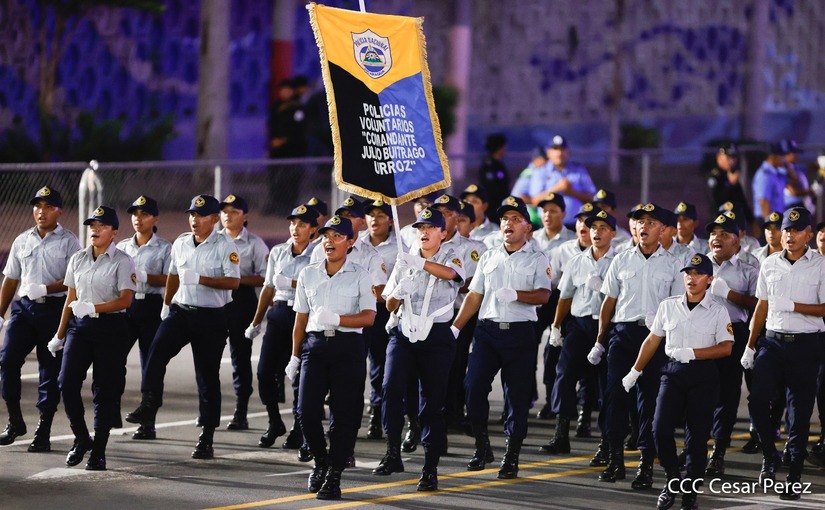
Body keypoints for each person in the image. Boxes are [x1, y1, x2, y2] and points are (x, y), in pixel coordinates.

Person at [125, 194, 240, 459]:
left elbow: (233, 282)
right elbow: (174, 276)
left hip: (211, 316)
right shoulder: (181, 242)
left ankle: (207, 436)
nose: (194, 220)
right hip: (182, 311)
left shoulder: (225, 245)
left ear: (214, 218)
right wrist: (167, 305)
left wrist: (201, 279)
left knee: (207, 376)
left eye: (200, 215)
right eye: (192, 215)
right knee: (156, 352)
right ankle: (149, 404)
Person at [622, 253, 734, 510]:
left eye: (698, 274)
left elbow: (726, 347)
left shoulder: (718, 311)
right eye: (688, 274)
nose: (691, 278)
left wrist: (694, 353)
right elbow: (652, 340)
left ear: (709, 280)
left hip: (703, 376)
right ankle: (673, 479)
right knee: (659, 429)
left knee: (696, 438)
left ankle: (690, 493)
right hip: (672, 374)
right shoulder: (668, 306)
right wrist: (635, 370)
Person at [453, 196, 552, 479]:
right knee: (473, 387)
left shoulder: (537, 258)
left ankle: (512, 455)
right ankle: (482, 445)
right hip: (487, 331)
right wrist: (456, 328)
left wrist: (517, 295)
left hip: (520, 333)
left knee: (516, 397)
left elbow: (544, 295)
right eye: (505, 219)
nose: (508, 223)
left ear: (527, 227)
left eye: (515, 219)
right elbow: (475, 296)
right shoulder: (489, 256)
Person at [589, 203, 682, 488]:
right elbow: (609, 302)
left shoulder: (673, 264)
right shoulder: (621, 259)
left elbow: (678, 307)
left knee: (650, 401)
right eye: (640, 222)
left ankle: (645, 464)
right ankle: (615, 459)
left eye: (651, 222)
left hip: (656, 338)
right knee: (615, 396)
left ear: (663, 229)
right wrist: (600, 340)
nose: (644, 227)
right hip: (624, 334)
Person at [374, 207, 464, 491]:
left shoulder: (450, 254)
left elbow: (451, 274)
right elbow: (389, 303)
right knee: (390, 390)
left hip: (436, 337)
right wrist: (397, 293)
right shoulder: (405, 260)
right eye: (420, 228)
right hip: (403, 333)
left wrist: (419, 263)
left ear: (443, 233)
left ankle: (430, 468)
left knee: (431, 404)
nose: (423, 232)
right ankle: (392, 453)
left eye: (430, 227)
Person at [288, 215, 376, 500]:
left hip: (348, 347)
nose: (330, 241)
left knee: (344, 414)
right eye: (327, 236)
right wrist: (294, 356)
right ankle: (321, 462)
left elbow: (369, 317)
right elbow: (300, 318)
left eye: (337, 236)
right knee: (306, 412)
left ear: (350, 242)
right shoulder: (308, 274)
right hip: (314, 347)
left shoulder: (360, 275)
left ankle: (334, 474)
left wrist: (339, 319)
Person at [740, 206, 825, 501]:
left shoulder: (820, 265)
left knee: (799, 414)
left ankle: (794, 476)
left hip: (805, 345)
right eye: (787, 229)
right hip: (773, 343)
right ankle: (769, 454)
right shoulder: (770, 264)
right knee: (757, 400)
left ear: (808, 235)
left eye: (796, 230)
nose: (789, 235)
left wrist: (794, 306)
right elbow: (761, 306)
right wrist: (750, 345)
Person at [52, 206, 136, 470]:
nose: (95, 230)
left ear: (114, 232)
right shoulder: (78, 258)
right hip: (80, 327)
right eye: (92, 226)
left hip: (111, 328)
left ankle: (98, 451)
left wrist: (93, 307)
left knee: (104, 390)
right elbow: (70, 298)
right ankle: (81, 438)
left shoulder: (123, 261)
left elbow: (126, 300)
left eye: (102, 226)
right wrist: (59, 334)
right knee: (66, 383)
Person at [0, 186, 80, 451]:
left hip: (54, 310)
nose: (41, 212)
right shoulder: (23, 240)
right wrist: (0, 313)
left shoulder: (69, 241)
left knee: (49, 369)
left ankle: (43, 429)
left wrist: (46, 289)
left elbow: (74, 281)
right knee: (7, 360)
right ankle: (15, 421)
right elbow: (11, 279)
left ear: (60, 211)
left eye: (48, 207)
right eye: (37, 206)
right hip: (24, 309)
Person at [542, 210, 616, 461]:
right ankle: (561, 434)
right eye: (593, 227)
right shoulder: (576, 261)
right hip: (580, 324)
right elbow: (565, 296)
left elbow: (625, 298)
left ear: (613, 233)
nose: (596, 232)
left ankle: (606, 442)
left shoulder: (620, 261)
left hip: (608, 327)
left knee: (606, 384)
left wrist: (604, 289)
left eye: (603, 228)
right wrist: (556, 326)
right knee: (564, 374)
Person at [246, 204, 317, 448]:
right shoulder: (278, 252)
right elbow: (268, 288)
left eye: (302, 225)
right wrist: (256, 321)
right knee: (264, 372)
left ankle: (299, 427)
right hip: (278, 314)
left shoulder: (318, 254)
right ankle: (274, 421)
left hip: (303, 314)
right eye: (293, 224)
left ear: (313, 230)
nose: (295, 229)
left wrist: (292, 283)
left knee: (298, 374)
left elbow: (319, 286)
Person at [702, 213, 758, 477]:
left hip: (733, 333)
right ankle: (696, 446)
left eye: (724, 234)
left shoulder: (748, 269)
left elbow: (759, 304)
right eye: (714, 234)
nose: (717, 238)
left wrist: (729, 294)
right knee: (698, 393)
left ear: (737, 241)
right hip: (700, 333)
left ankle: (718, 452)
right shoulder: (698, 265)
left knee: (727, 394)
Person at [116, 195, 172, 440]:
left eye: (144, 214)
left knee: (151, 363)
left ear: (155, 218)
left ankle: (148, 420)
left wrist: (146, 276)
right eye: (135, 214)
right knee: (114, 357)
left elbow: (172, 278)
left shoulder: (165, 248)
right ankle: (110, 409)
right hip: (127, 307)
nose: (138, 219)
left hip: (151, 306)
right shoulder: (122, 247)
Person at [218, 194, 269, 430]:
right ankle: (208, 408)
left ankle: (241, 410)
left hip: (241, 300)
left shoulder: (255, 244)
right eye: (224, 211)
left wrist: (235, 280)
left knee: (240, 356)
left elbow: (265, 277)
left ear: (245, 216)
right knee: (208, 355)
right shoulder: (213, 240)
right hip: (216, 300)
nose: (227, 216)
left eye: (234, 212)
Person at [361, 198, 407, 440]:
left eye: (380, 215)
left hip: (382, 311)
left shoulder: (400, 247)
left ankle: (377, 412)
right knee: (354, 363)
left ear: (390, 220)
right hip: (357, 310)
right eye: (371, 215)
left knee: (379, 365)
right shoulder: (356, 243)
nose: (374, 220)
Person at [528, 135, 597, 229]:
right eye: (555, 149)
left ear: (568, 152)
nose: (559, 153)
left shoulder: (578, 170)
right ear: (548, 152)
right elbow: (535, 201)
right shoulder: (541, 171)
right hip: (548, 227)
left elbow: (593, 198)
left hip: (575, 226)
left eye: (562, 149)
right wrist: (557, 188)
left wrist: (572, 192)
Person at [707, 143, 753, 227]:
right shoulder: (715, 176)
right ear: (719, 157)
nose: (732, 161)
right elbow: (715, 201)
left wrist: (752, 221)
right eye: (728, 157)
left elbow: (741, 201)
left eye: (734, 158)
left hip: (734, 223)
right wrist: (731, 185)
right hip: (718, 222)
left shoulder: (731, 175)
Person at [752, 143, 791, 225]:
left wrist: (787, 166)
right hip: (767, 219)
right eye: (781, 156)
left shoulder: (777, 173)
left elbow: (795, 180)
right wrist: (770, 225)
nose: (783, 159)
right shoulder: (765, 175)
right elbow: (764, 202)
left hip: (776, 218)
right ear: (773, 157)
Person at [479, 134, 510, 222]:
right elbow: (491, 187)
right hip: (493, 207)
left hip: (500, 204)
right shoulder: (489, 166)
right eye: (503, 147)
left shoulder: (499, 165)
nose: (505, 149)